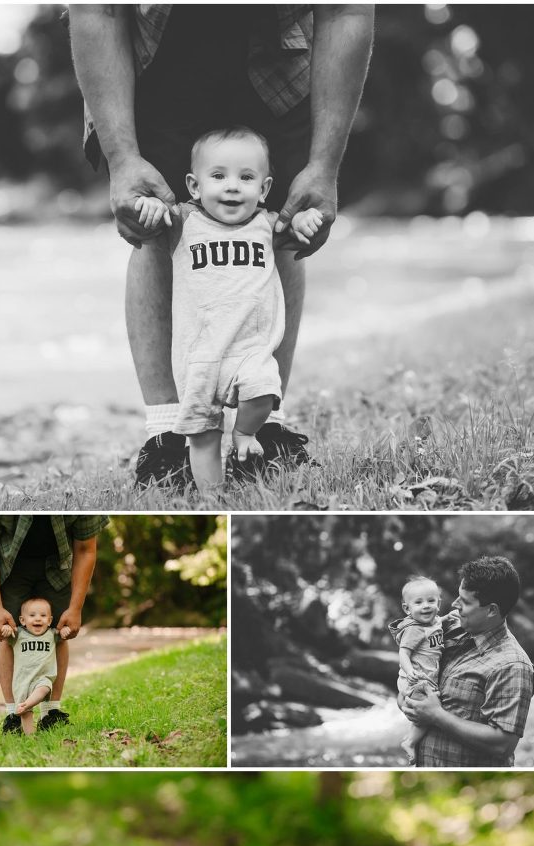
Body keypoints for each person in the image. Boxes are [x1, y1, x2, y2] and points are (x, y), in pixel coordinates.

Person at [67, 4, 375, 487]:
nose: (232, 188)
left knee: (284, 228)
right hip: (157, 51)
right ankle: (168, 436)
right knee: (155, 225)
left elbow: (346, 10)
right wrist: (123, 158)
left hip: (281, 51)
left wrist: (324, 166)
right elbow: (97, 9)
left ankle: (264, 431)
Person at [135, 125, 323, 490]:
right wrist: (150, 205)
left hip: (250, 348)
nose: (232, 186)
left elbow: (295, 230)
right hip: (200, 354)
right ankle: (212, 497)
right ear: (194, 186)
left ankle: (245, 434)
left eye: (246, 177)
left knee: (265, 389)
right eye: (218, 176)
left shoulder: (266, 225)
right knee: (203, 435)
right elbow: (156, 218)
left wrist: (303, 220)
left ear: (265, 189)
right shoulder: (184, 221)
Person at [0, 515, 107, 734]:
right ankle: (13, 714)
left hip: (58, 564)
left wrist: (75, 608)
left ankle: (51, 712)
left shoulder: (81, 495)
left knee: (59, 632)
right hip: (10, 565)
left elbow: (86, 549)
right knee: (8, 634)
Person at [403, 555, 534, 767]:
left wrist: (436, 715)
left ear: (491, 610)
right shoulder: (454, 625)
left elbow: (503, 744)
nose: (455, 605)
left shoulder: (512, 665)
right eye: (458, 597)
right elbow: (414, 649)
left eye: (465, 602)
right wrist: (408, 700)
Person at [388, 575, 449, 766]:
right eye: (419, 602)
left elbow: (438, 625)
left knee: (428, 710)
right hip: (415, 678)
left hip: (425, 677)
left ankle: (413, 739)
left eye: (431, 601)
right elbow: (404, 653)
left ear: (439, 603)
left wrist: (450, 617)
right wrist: (409, 672)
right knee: (430, 711)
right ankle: (410, 741)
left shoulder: (433, 623)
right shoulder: (415, 630)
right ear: (407, 608)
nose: (426, 606)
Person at [1, 598, 71, 735]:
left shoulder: (52, 634)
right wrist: (6, 628)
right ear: (22, 620)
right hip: (21, 681)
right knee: (25, 714)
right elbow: (4, 638)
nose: (38, 619)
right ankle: (30, 738)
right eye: (32, 615)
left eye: (43, 616)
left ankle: (28, 704)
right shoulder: (18, 634)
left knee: (44, 688)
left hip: (42, 678)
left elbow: (63, 637)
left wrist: (65, 630)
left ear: (50, 620)